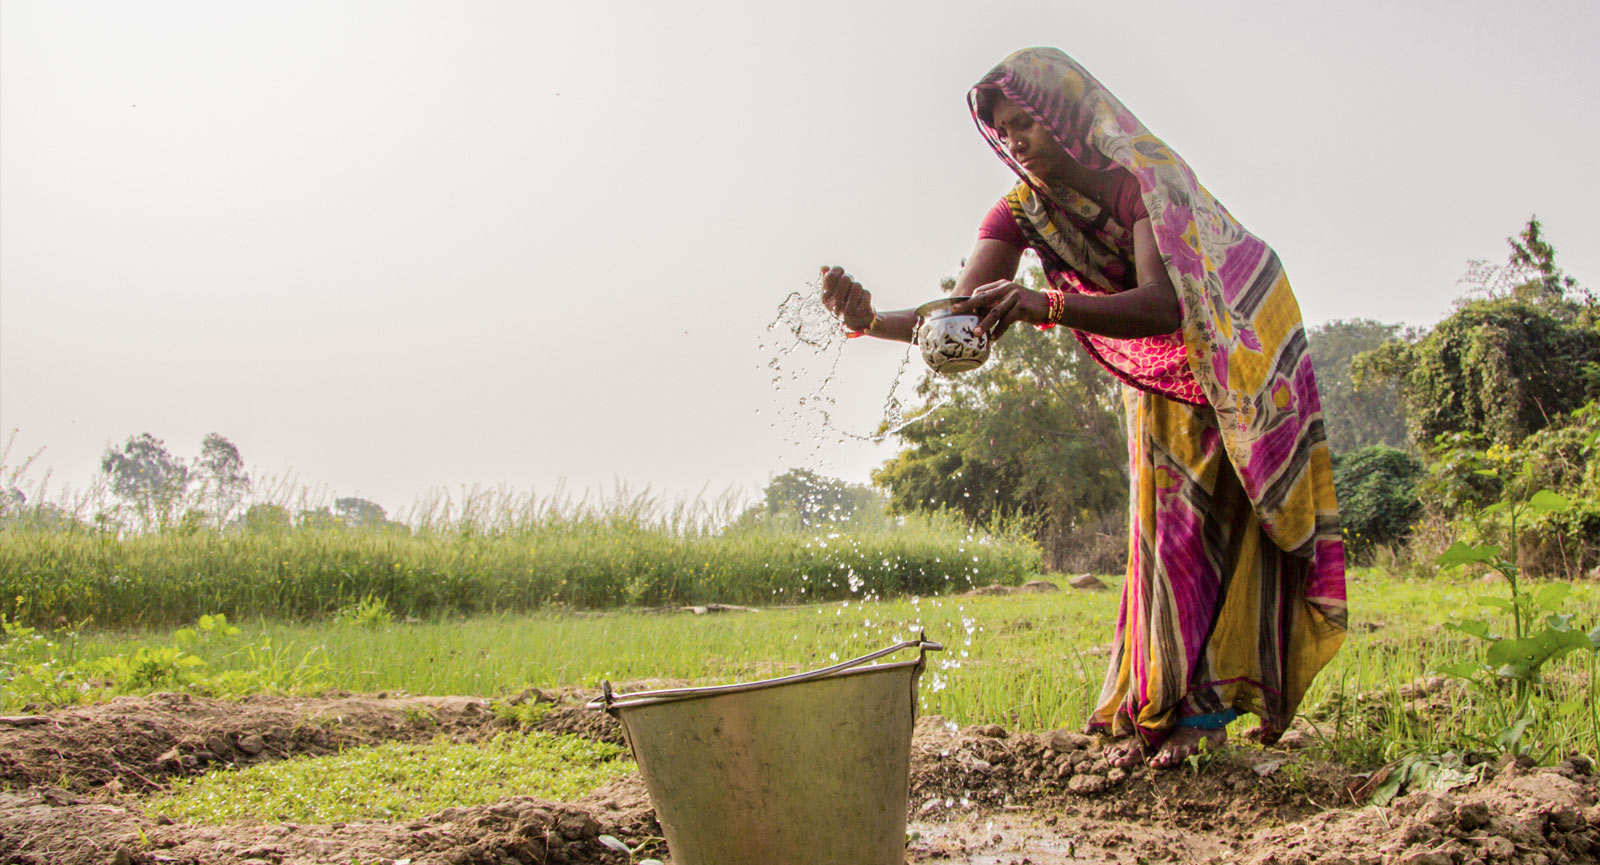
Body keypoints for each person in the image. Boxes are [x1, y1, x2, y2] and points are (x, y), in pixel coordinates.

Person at [820, 47, 1346, 769]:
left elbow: (1166, 301)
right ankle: (1161, 703)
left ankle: (1203, 713)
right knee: (1166, 519)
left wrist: (1048, 305)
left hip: (1239, 336)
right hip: (1159, 365)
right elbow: (962, 313)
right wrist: (870, 317)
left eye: (1024, 122)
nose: (1013, 141)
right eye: (1001, 132)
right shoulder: (1018, 211)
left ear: (1066, 118)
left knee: (1233, 513)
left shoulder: (1139, 187)